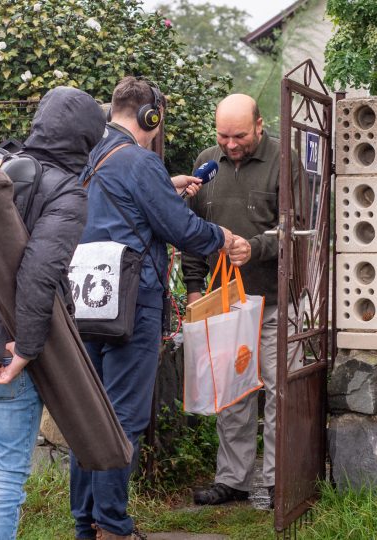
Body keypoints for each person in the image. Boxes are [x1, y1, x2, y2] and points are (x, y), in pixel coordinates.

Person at [70, 76, 235, 540]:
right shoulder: (141, 162)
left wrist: (166, 186)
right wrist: (223, 237)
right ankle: (112, 525)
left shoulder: (92, 159)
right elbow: (182, 230)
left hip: (86, 303)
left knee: (88, 416)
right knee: (123, 418)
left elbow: (123, 214)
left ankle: (87, 524)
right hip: (131, 304)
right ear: (151, 116)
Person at [0, 86, 106, 539]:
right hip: (4, 346)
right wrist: (27, 350)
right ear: (85, 141)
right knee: (8, 477)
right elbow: (37, 275)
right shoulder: (67, 192)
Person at [184, 93, 298, 509]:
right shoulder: (205, 161)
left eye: (240, 136)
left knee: (276, 388)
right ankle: (233, 480)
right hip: (223, 302)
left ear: (260, 125)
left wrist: (255, 248)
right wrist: (195, 289)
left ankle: (275, 482)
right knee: (231, 391)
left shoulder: (282, 160)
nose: (230, 145)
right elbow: (192, 231)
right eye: (223, 136)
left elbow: (297, 227)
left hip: (271, 300)